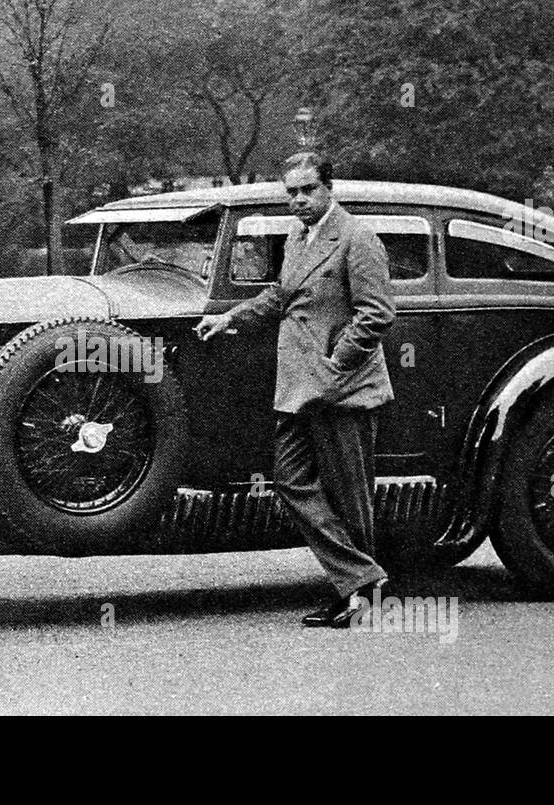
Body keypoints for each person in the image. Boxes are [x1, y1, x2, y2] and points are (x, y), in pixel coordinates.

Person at [194, 151, 397, 628]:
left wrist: (335, 363)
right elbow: (282, 295)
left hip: (342, 388)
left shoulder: (356, 238)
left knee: (351, 495)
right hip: (298, 388)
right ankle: (363, 580)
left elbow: (377, 313)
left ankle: (356, 594)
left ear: (330, 188)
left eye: (308, 190)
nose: (299, 200)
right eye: (292, 192)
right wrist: (230, 317)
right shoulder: (298, 236)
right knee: (290, 481)